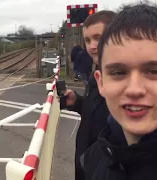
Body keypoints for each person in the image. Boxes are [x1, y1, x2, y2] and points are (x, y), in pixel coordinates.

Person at [81, 3, 157, 179]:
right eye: (118, 73)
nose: (134, 89)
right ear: (100, 82)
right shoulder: (94, 158)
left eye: (154, 71)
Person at [60, 10, 117, 180]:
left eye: (98, 38)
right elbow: (97, 112)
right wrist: (77, 102)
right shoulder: (97, 74)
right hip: (87, 162)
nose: (92, 46)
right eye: (87, 40)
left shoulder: (124, 82)